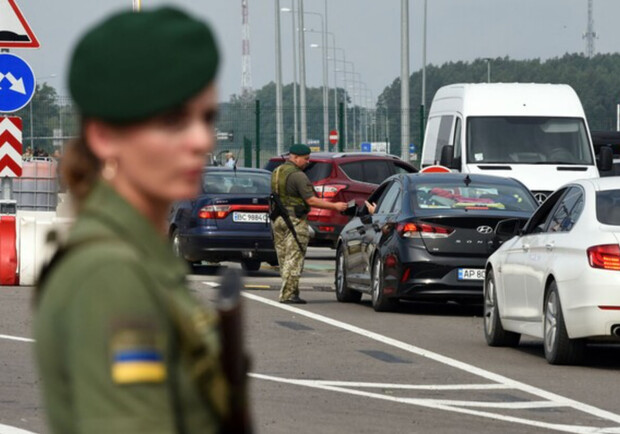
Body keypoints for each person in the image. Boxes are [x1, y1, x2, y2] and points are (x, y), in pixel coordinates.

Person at [33, 8, 240, 434]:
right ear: (104, 136)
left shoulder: (138, 256)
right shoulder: (110, 274)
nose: (201, 140)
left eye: (206, 118)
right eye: (171, 121)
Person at [271, 144, 347, 304]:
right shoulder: (298, 176)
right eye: (305, 159)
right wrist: (335, 206)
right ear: (295, 158)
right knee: (295, 256)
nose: (307, 162)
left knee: (284, 258)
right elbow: (311, 200)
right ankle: (288, 294)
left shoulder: (277, 172)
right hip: (294, 220)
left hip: (278, 219)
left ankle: (290, 290)